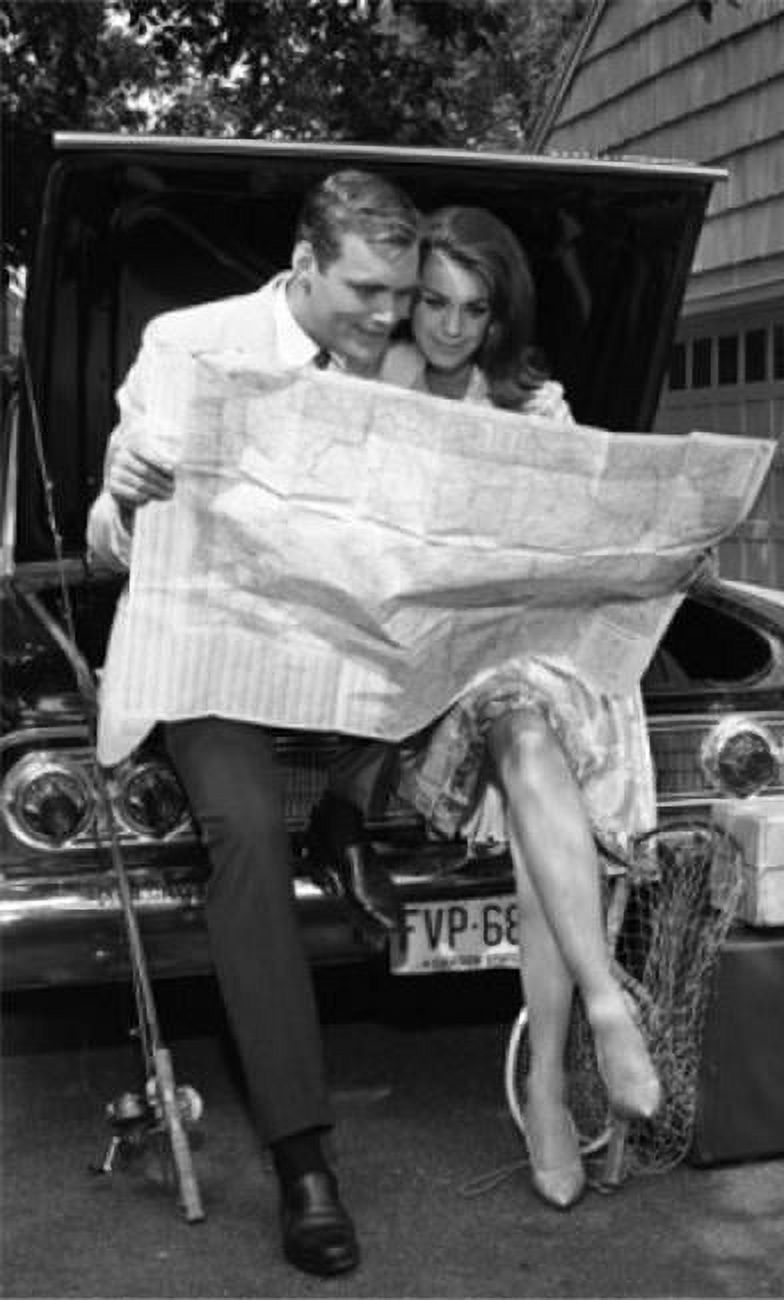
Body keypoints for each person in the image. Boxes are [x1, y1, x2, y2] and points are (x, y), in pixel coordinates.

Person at [85, 170, 423, 1277]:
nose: (387, 316)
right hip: (212, 661)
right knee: (241, 830)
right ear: (305, 263)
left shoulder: (408, 372)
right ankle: (303, 1161)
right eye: (367, 291)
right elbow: (100, 538)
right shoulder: (188, 343)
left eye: (402, 296)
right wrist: (123, 494)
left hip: (345, 664)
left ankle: (342, 804)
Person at [373, 206, 663, 1209]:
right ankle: (595, 1008)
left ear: (499, 312)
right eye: (433, 303)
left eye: (473, 308)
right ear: (407, 297)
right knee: (520, 726)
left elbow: (584, 532)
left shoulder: (536, 402)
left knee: (531, 728)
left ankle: (557, 1071)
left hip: (534, 651)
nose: (450, 328)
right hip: (426, 665)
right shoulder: (371, 386)